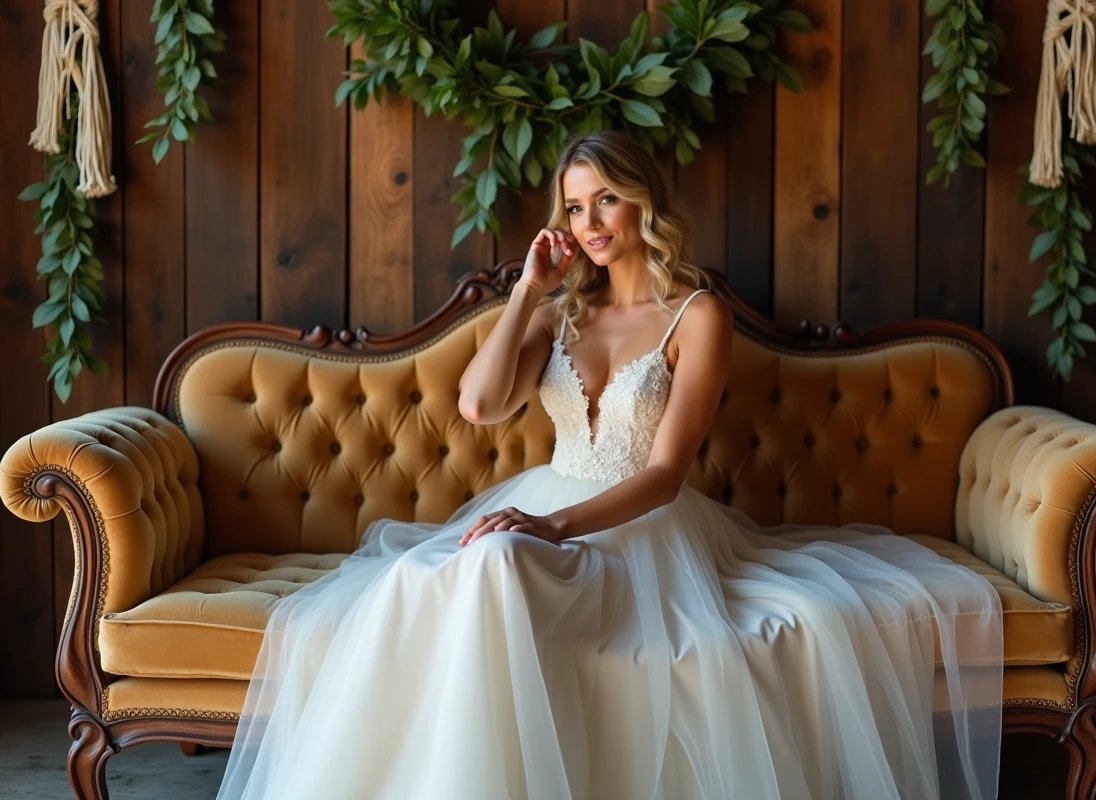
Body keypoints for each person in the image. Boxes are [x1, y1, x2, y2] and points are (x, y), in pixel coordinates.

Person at [216, 130, 1002, 799]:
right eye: (573, 206)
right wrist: (526, 291)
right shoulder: (562, 313)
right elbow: (479, 406)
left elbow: (663, 474)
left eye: (605, 201)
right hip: (544, 502)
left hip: (639, 528)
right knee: (425, 581)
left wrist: (551, 526)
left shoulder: (699, 316)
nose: (588, 222)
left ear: (643, 203)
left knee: (491, 562)